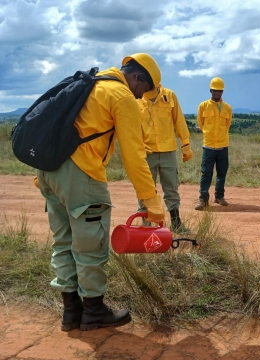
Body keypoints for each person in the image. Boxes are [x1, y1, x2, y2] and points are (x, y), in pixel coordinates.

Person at [36, 53, 164, 332]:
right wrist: (151, 200)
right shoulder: (120, 95)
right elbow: (134, 155)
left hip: (47, 171)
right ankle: (93, 312)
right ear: (137, 77)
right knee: (90, 246)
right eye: (144, 90)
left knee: (63, 242)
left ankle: (71, 313)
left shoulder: (88, 83)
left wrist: (51, 175)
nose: (143, 97)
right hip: (82, 174)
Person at [136, 82, 193, 233]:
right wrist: (137, 146)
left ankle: (176, 224)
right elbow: (131, 127)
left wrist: (185, 144)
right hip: (146, 153)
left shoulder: (169, 96)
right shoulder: (136, 98)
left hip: (168, 152)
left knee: (171, 189)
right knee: (145, 191)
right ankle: (146, 226)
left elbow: (179, 121)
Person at [195, 77, 232, 210]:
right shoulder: (203, 106)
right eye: (215, 91)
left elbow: (227, 126)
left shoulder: (227, 108)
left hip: (223, 146)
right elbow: (200, 123)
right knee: (206, 173)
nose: (217, 93)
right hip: (208, 146)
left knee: (221, 173)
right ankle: (203, 200)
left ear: (222, 92)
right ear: (210, 90)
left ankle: (219, 197)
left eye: (219, 91)